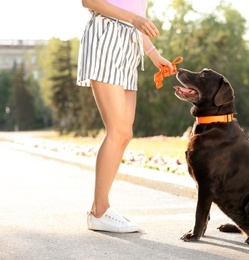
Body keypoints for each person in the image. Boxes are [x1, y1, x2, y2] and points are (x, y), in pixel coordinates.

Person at [76, 0, 174, 233]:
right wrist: (134, 19)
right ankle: (100, 211)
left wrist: (154, 54)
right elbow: (89, 1)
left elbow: (137, 17)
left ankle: (100, 209)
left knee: (125, 133)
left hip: (130, 45)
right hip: (106, 36)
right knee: (117, 131)